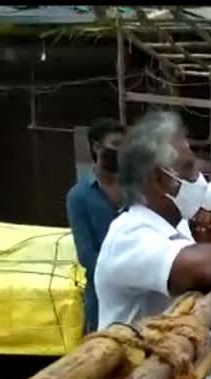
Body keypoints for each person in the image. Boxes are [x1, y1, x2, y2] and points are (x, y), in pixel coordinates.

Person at [95, 111, 211, 329]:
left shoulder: (178, 223)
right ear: (158, 177)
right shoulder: (128, 235)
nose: (198, 179)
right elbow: (207, 269)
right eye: (188, 168)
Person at [66, 118, 125, 334]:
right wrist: (128, 270)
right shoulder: (79, 196)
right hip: (101, 302)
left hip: (139, 299)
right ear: (97, 147)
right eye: (116, 145)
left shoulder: (135, 191)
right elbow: (86, 256)